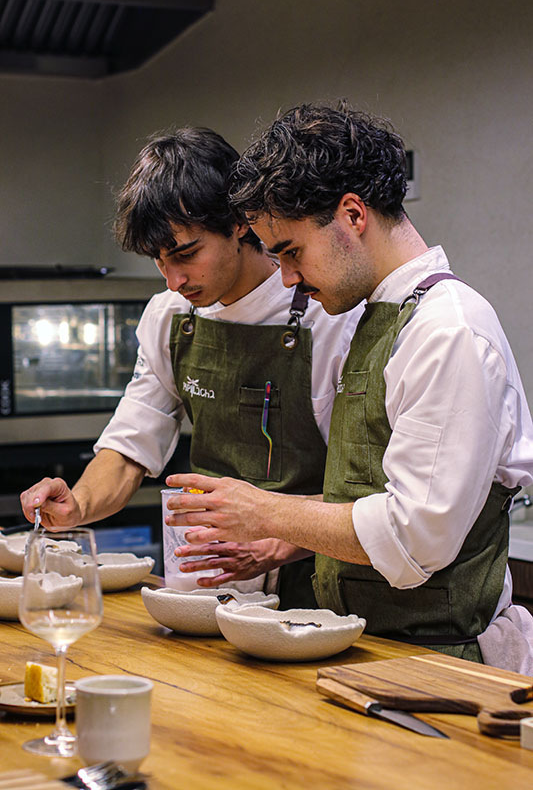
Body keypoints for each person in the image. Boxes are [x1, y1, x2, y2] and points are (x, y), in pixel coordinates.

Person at [164, 104, 533, 671]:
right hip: (370, 653)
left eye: (290, 251)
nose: (286, 277)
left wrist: (266, 512)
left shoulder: (449, 331)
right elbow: (369, 497)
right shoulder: (378, 316)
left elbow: (413, 539)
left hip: (443, 665)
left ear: (353, 215)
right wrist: (290, 537)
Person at [20, 125, 361, 609]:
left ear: (241, 221)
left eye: (186, 254)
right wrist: (77, 505)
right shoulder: (170, 316)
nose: (174, 279)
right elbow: (130, 447)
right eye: (159, 260)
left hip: (318, 590)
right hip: (208, 588)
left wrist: (277, 540)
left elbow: (367, 495)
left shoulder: (326, 314)